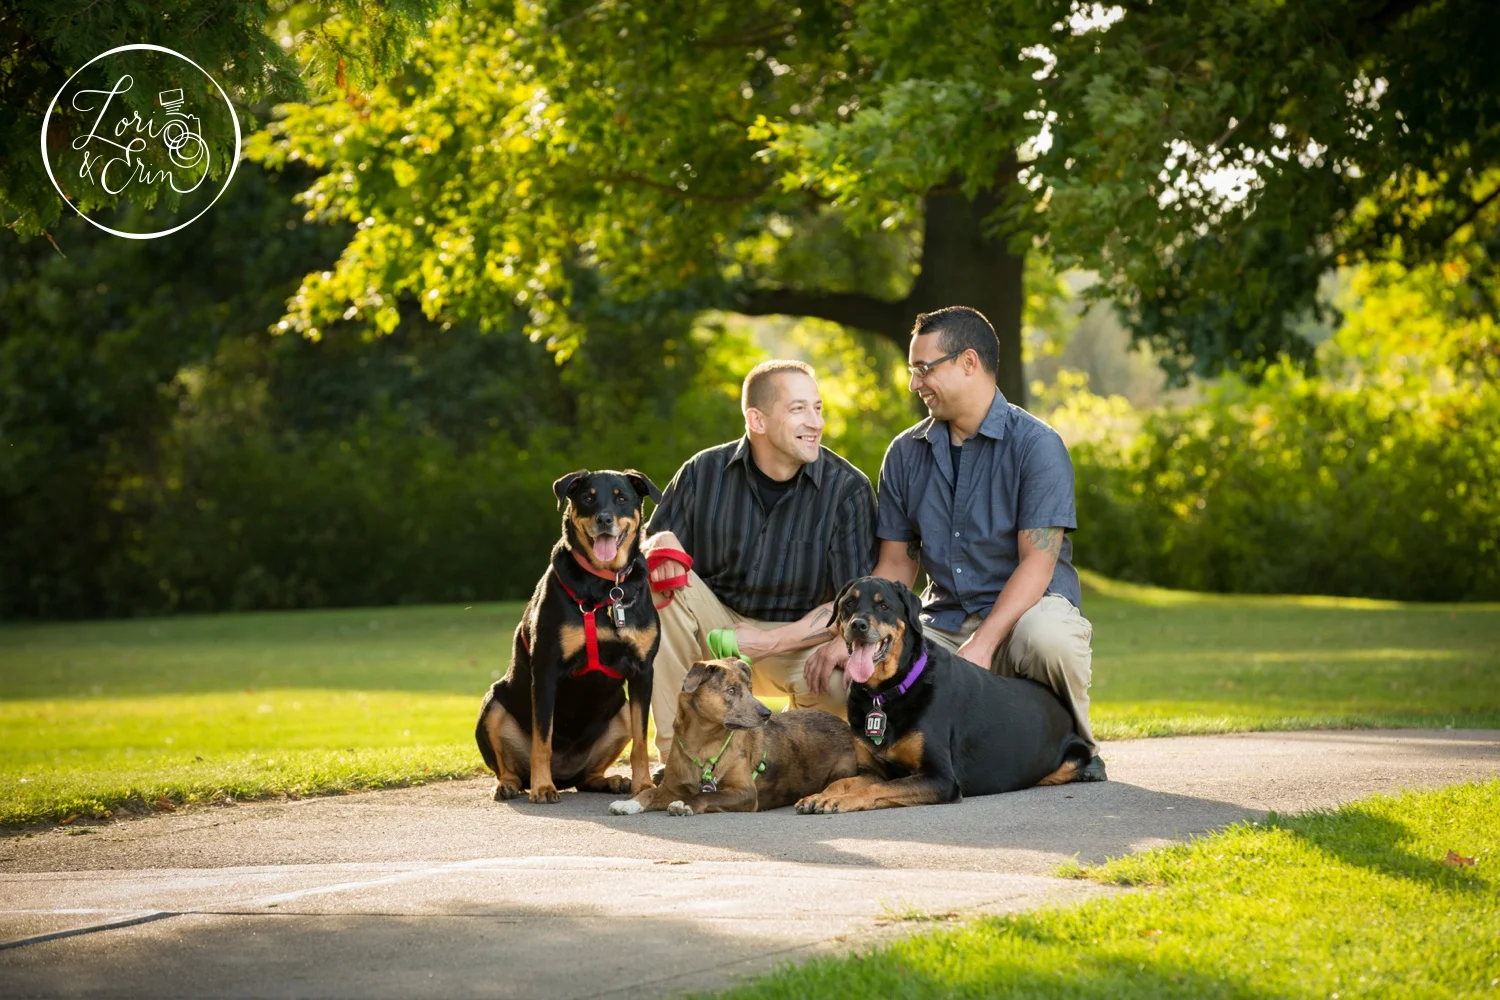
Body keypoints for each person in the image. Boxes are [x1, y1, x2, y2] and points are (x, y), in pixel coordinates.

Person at [805, 306, 1107, 781]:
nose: (913, 384)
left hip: (1027, 614)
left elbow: (1037, 565)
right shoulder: (905, 453)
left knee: (1050, 641)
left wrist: (983, 645)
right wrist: (856, 641)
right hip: (942, 619)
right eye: (912, 371)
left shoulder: (1037, 446)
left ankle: (1076, 754)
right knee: (831, 679)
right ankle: (879, 761)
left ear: (968, 362)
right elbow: (895, 564)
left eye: (923, 369)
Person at [643, 360, 878, 763]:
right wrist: (655, 542)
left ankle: (775, 747)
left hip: (802, 641)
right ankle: (676, 757)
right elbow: (645, 552)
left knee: (845, 684)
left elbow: (852, 602)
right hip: (717, 631)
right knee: (661, 581)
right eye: (799, 409)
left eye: (818, 408)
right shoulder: (703, 473)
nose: (815, 422)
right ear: (757, 419)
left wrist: (771, 641)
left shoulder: (848, 489)